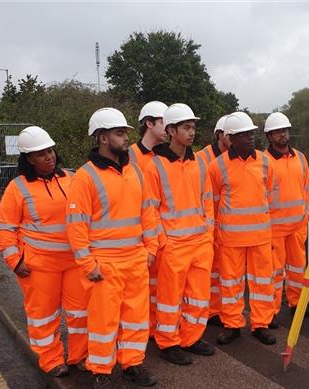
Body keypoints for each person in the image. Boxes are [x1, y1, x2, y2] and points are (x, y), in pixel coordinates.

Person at [66, 107, 160, 388]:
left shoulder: (134, 172)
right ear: (102, 138)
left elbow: (148, 213)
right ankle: (101, 371)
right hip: (104, 264)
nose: (125, 138)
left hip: (135, 259)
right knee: (103, 322)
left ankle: (132, 364)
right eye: (120, 133)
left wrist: (151, 248)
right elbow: (76, 225)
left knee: (136, 318)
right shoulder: (85, 177)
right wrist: (88, 265)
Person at [0, 126, 86, 377]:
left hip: (74, 261)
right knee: (44, 316)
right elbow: (5, 228)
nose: (49, 156)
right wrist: (15, 261)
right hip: (38, 265)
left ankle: (81, 355)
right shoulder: (18, 187)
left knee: (81, 313)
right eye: (41, 153)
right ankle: (51, 360)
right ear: (28, 159)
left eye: (50, 150)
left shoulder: (72, 178)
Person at [144, 103, 215, 366]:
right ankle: (168, 342)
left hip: (199, 242)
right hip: (173, 245)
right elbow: (149, 209)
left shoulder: (199, 163)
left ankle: (191, 338)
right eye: (186, 127)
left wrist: (208, 231)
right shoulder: (155, 166)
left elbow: (208, 200)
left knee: (198, 295)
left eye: (194, 127)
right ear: (171, 130)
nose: (192, 132)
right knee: (169, 299)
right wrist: (163, 241)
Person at [208, 112, 277, 346]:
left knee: (262, 283)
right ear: (230, 138)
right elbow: (214, 203)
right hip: (230, 237)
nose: (250, 138)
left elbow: (270, 197)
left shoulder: (266, 162)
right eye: (244, 135)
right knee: (230, 283)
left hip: (260, 236)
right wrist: (215, 234)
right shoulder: (217, 166)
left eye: (251, 134)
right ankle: (232, 324)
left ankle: (261, 324)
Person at [262, 112, 309, 328]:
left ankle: (299, 303)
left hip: (297, 226)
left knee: (298, 269)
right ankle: (270, 311)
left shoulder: (300, 158)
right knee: (273, 273)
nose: (282, 134)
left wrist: (308, 212)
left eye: (284, 130)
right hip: (274, 229)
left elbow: (308, 188)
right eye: (277, 131)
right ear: (269, 136)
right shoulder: (263, 161)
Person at [129, 100, 168, 336]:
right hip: (138, 235)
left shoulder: (165, 157)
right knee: (141, 289)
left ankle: (157, 329)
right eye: (164, 122)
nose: (168, 127)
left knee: (161, 288)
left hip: (163, 234)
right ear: (149, 123)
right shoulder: (130, 156)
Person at [196, 115, 230, 326]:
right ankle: (205, 311)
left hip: (226, 227)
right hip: (205, 226)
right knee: (205, 274)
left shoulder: (233, 158)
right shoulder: (201, 158)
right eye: (230, 134)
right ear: (219, 135)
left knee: (220, 272)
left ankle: (215, 310)